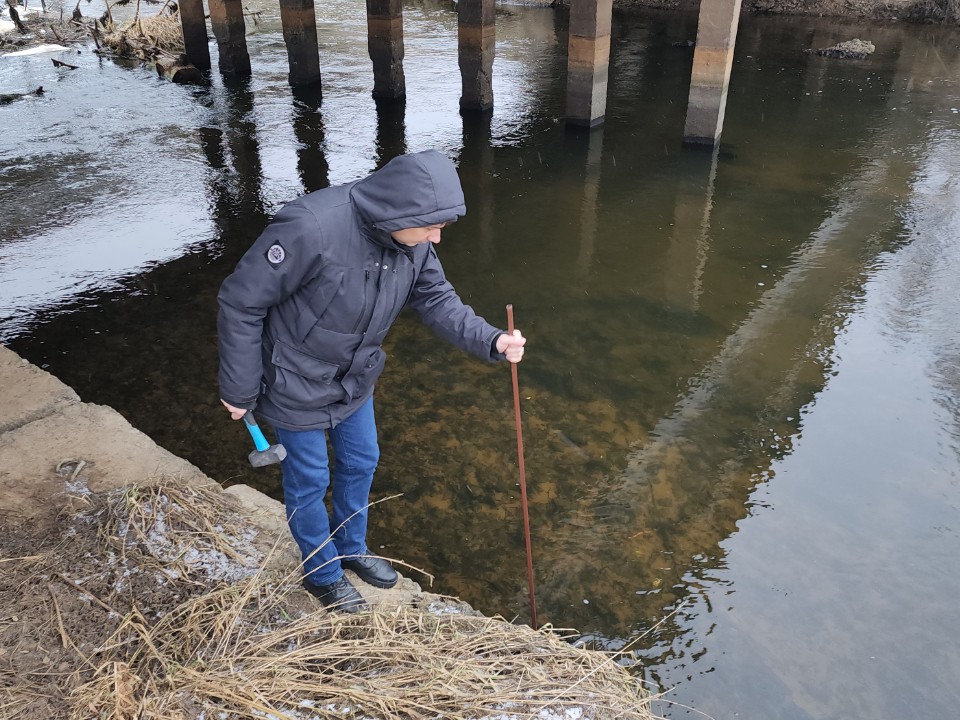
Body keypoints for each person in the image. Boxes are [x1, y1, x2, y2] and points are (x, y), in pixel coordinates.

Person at [218, 150, 526, 612]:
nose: (436, 238)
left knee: (362, 460)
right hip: (293, 381)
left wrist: (493, 340)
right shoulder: (310, 227)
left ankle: (351, 549)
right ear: (397, 212)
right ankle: (321, 573)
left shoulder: (413, 240)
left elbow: (437, 299)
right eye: (431, 226)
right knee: (310, 479)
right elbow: (241, 302)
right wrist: (238, 386)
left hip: (354, 378)